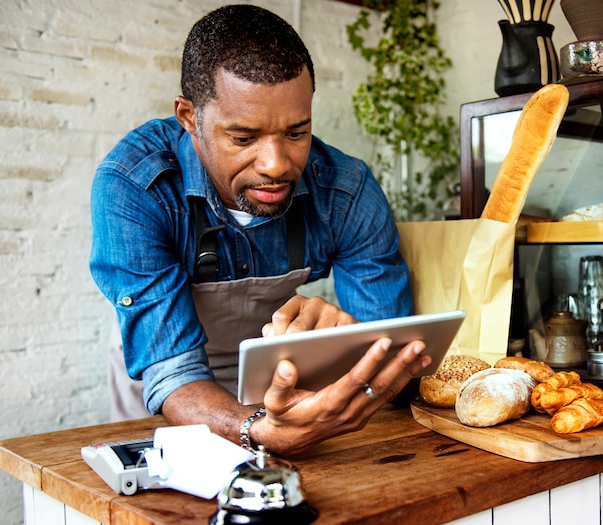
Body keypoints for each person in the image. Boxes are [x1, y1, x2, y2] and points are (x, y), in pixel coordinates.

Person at [89, 4, 430, 456]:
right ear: (189, 117)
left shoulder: (345, 192)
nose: (277, 165)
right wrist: (256, 430)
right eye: (244, 138)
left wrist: (346, 345)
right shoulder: (135, 185)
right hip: (169, 386)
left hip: (274, 383)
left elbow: (389, 359)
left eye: (296, 133)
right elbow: (173, 374)